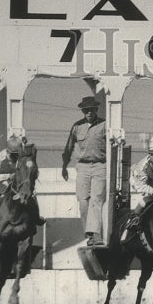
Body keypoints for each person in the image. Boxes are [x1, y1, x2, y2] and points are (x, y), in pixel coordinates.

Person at [62, 96, 107, 246]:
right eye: (86, 110)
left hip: (100, 165)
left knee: (96, 199)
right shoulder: (77, 127)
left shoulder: (105, 125)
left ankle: (96, 234)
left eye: (92, 110)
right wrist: (64, 166)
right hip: (82, 167)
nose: (89, 113)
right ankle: (89, 234)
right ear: (83, 111)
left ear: (96, 110)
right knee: (83, 201)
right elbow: (68, 148)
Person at [0, 135, 44, 230]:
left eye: (18, 154)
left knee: (31, 192)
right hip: (0, 180)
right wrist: (8, 176)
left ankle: (36, 217)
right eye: (13, 155)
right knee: (3, 187)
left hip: (16, 179)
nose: (16, 157)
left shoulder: (21, 153)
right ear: (7, 152)